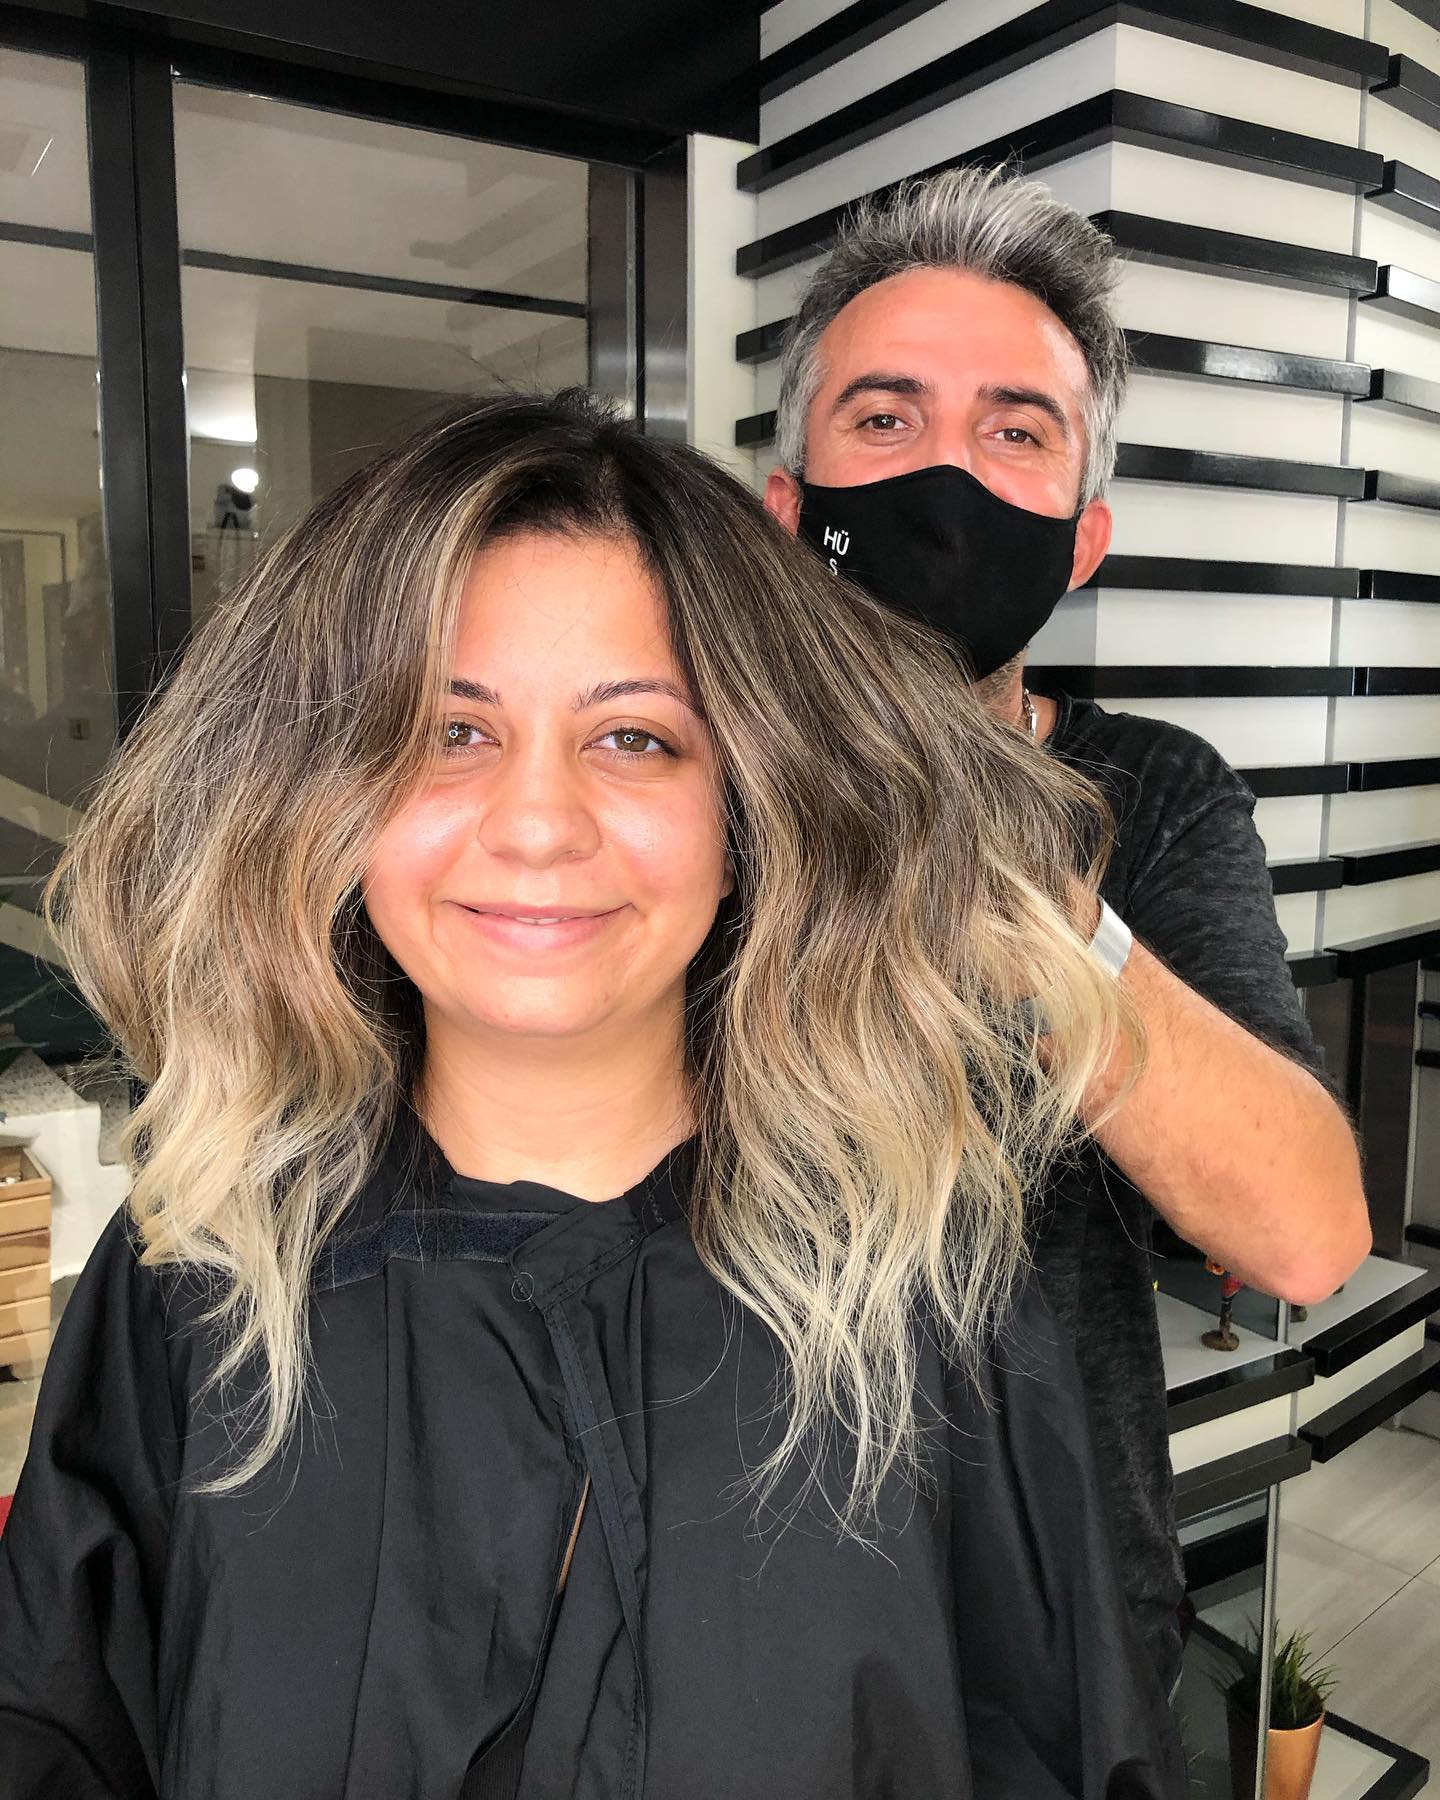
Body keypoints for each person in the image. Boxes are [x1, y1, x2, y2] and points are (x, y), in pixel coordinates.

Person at [0, 393, 1186, 1798]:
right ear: (330, 797)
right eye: (448, 731)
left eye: (634, 739)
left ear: (751, 810)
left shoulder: (931, 1296)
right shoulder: (199, 1281)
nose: (538, 823)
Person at [762, 164, 1372, 1693]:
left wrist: (1014, 881)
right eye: (884, 418)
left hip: (1065, 1631)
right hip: (738, 1622)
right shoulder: (674, 791)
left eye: (1014, 432)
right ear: (788, 509)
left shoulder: (1153, 796)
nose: (944, 479)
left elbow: (1303, 1232)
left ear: (1082, 540)